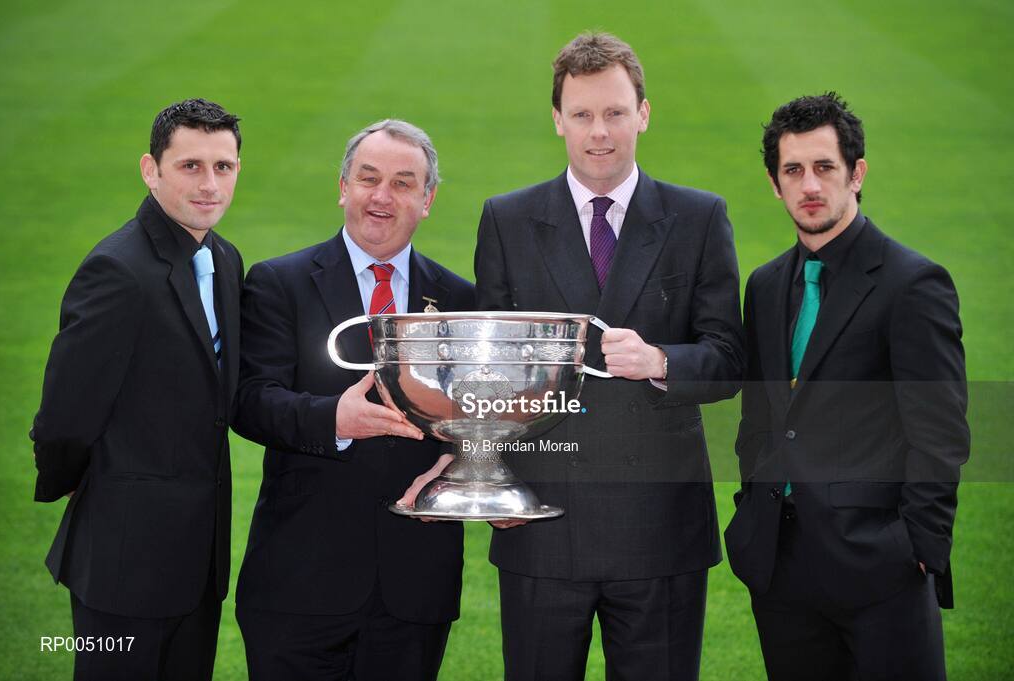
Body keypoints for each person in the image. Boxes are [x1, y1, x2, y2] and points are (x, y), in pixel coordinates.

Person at [474, 32, 744, 681]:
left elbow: (729, 359)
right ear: (558, 119)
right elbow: (486, 374)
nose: (600, 132)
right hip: (540, 523)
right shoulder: (507, 220)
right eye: (583, 114)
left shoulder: (699, 218)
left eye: (615, 112)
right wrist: (488, 477)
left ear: (643, 114)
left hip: (660, 532)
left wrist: (660, 361)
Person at [724, 93, 970, 681]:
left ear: (856, 174)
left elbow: (940, 433)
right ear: (774, 184)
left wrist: (918, 547)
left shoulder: (913, 284)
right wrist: (751, 508)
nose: (809, 185)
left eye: (824, 167)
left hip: (880, 569)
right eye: (793, 170)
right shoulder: (764, 286)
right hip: (780, 569)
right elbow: (760, 419)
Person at [233, 119, 474, 681]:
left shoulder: (462, 301)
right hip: (299, 582)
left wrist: (461, 461)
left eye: (403, 183)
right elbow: (249, 401)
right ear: (343, 187)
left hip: (416, 586)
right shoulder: (278, 283)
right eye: (368, 178)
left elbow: (479, 417)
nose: (382, 197)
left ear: (427, 200)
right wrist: (334, 420)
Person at [30, 98, 244, 681]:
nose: (209, 184)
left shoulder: (223, 258)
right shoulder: (117, 271)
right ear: (151, 170)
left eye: (222, 166)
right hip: (124, 560)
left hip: (198, 562)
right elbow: (64, 420)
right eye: (190, 166)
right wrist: (96, 491)